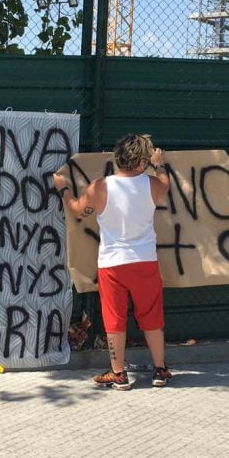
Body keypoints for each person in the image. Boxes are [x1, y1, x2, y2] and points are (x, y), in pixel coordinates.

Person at [53, 133, 172, 390]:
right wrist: (159, 162)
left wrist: (63, 188)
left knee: (114, 317)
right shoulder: (153, 184)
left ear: (117, 158)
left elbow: (76, 210)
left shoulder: (99, 187)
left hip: (112, 263)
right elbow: (165, 180)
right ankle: (160, 370)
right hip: (145, 261)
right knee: (151, 315)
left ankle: (118, 374)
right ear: (142, 162)